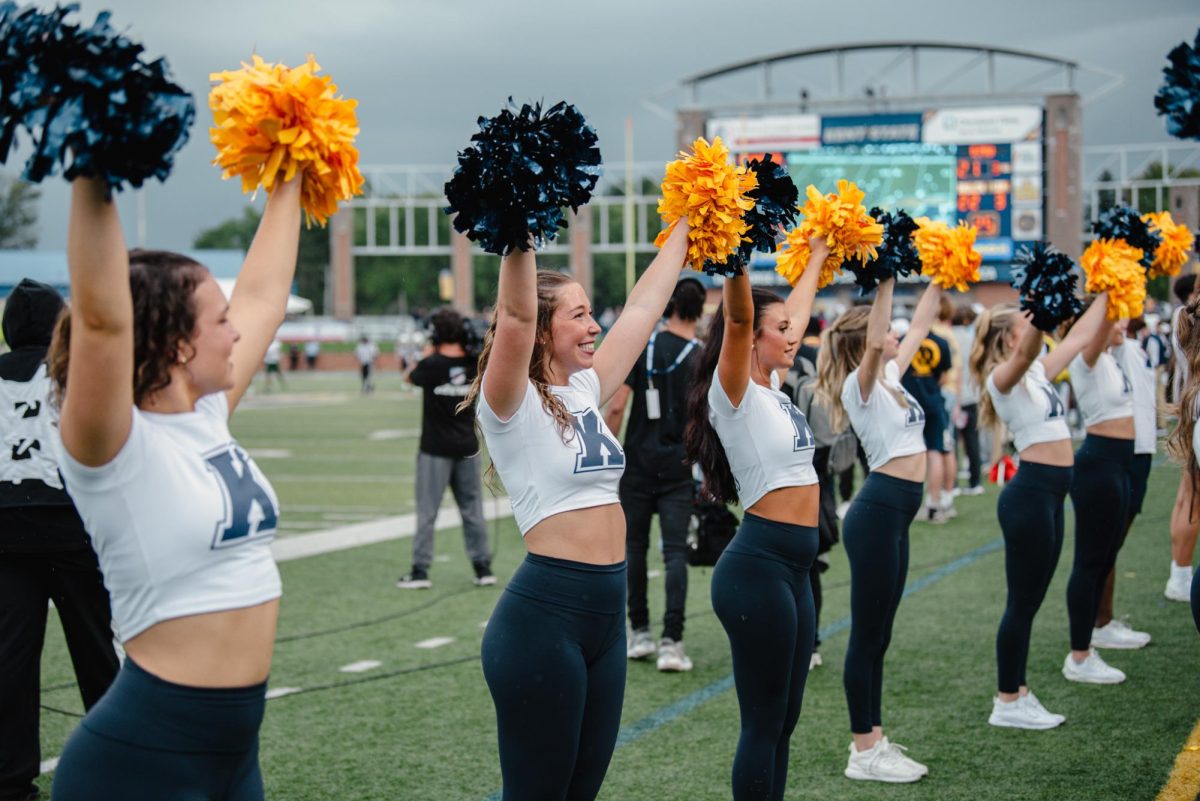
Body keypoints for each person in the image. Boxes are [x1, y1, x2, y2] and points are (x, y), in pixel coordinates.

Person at [46, 175, 301, 801]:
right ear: (179, 342)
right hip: (146, 757)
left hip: (235, 750)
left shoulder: (204, 415)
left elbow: (265, 291)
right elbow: (104, 322)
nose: (236, 332)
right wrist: (93, 174)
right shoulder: (112, 446)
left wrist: (291, 171)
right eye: (220, 319)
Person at [467, 222, 689, 800]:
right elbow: (513, 317)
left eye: (593, 315)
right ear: (544, 331)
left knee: (581, 790)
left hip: (604, 617)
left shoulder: (585, 388)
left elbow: (643, 306)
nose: (595, 326)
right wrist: (520, 225)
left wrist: (692, 220)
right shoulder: (509, 401)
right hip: (545, 621)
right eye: (580, 316)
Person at [682, 238, 825, 801]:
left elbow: (797, 309)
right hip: (758, 568)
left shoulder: (774, 389)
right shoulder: (733, 390)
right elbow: (740, 316)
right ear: (752, 338)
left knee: (785, 720)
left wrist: (816, 255)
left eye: (794, 327)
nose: (793, 335)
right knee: (763, 724)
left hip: (795, 569)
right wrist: (733, 250)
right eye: (781, 328)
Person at [816, 274, 942, 783]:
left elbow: (925, 321)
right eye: (888, 329)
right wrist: (886, 277)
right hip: (877, 514)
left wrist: (940, 274)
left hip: (896, 517)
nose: (897, 334)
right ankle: (863, 749)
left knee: (881, 633)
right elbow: (875, 338)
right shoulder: (860, 383)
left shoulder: (891, 374)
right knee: (867, 636)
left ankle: (875, 738)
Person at [0, 279, 119, 801]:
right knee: (99, 659)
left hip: (5, 536)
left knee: (10, 663)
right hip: (74, 532)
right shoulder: (78, 372)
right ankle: (122, 769)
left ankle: (9, 781)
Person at [970, 296, 1109, 729]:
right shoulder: (1002, 377)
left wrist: (1110, 284)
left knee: (1030, 601)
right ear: (1012, 336)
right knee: (1021, 603)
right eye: (1028, 323)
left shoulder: (1036, 372)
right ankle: (1007, 699)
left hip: (1050, 495)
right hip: (1029, 496)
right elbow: (1030, 349)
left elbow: (1083, 334)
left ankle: (1019, 691)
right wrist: (1040, 314)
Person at [603, 277, 704, 672]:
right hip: (678, 463)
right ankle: (671, 641)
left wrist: (607, 447)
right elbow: (704, 419)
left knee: (635, 549)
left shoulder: (644, 350)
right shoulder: (700, 355)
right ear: (698, 311)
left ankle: (639, 632)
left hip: (636, 462)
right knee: (676, 551)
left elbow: (616, 407)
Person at [1062, 298, 1139, 685]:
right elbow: (1102, 320)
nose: (1123, 321)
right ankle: (1079, 654)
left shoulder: (1111, 356)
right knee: (1089, 562)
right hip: (1098, 465)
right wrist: (1111, 288)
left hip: (1119, 464)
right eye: (1115, 317)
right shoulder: (1087, 356)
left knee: (1107, 556)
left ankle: (1096, 631)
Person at [397, 307, 494, 590]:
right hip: (467, 447)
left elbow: (407, 377)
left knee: (428, 511)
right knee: (473, 510)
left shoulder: (431, 364)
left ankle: (420, 570)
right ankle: (483, 567)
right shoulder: (474, 362)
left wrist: (428, 350)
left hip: (434, 449)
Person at [1090, 318, 1157, 648]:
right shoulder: (1110, 349)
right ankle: (1099, 622)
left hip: (1140, 449)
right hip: (1126, 452)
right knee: (1107, 543)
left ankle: (1103, 618)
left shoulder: (1132, 346)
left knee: (1113, 542)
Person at [785, 316, 844, 671]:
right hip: (813, 469)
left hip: (801, 472)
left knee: (803, 565)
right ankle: (810, 642)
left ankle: (807, 641)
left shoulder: (793, 362)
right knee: (807, 564)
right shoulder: (813, 359)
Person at [1165, 296, 1200, 632]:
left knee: (1188, 494)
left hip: (1191, 406)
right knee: (1191, 496)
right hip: (1193, 408)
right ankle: (1179, 573)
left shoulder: (1184, 317)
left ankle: (1179, 573)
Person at [951, 304, 984, 495]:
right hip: (971, 394)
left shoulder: (948, 336)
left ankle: (953, 483)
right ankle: (975, 481)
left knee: (952, 441)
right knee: (973, 440)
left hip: (952, 395)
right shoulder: (973, 339)